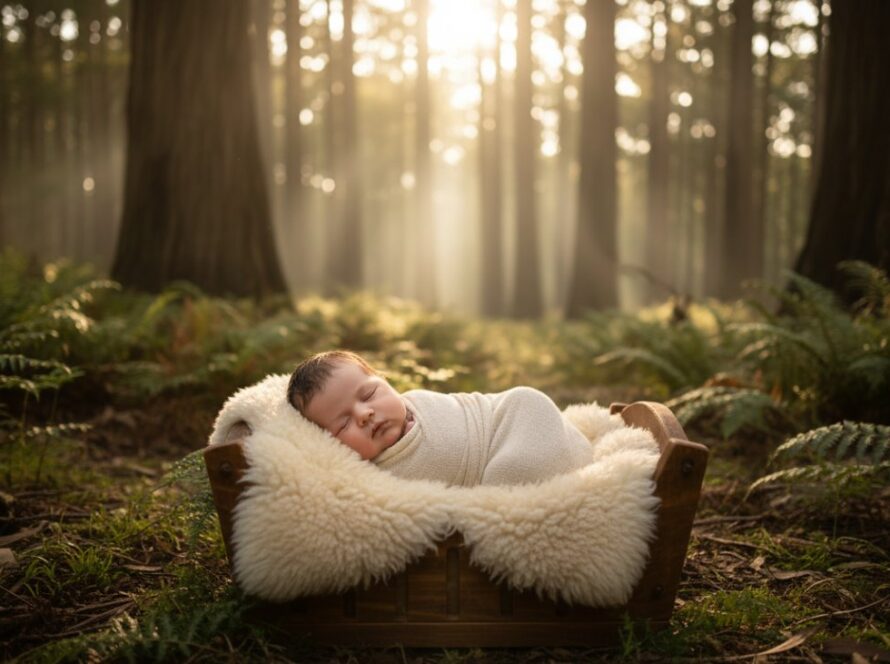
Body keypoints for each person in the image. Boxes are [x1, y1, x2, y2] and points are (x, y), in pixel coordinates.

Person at [286, 350, 595, 487]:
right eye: (343, 424)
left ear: (387, 382)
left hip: (516, 415)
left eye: (369, 395)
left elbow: (477, 409)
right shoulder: (374, 479)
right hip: (501, 462)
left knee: (521, 439)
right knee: (512, 477)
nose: (365, 414)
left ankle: (569, 457)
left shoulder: (416, 403)